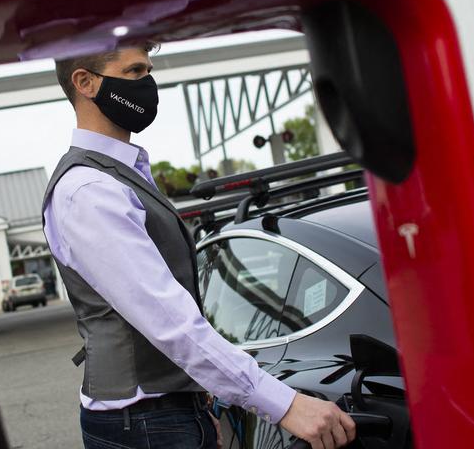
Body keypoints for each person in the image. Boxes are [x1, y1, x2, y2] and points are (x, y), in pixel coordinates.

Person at [43, 41, 357, 449]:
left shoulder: (117, 176)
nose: (148, 84)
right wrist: (284, 404)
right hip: (143, 423)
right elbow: (168, 320)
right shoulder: (89, 190)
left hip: (162, 415)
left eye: (148, 71)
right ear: (84, 82)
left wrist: (199, 395)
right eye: (135, 73)